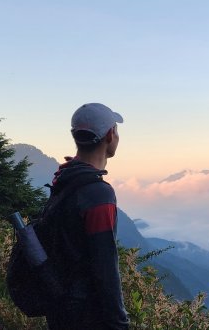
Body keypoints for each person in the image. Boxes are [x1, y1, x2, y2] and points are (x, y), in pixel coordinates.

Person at [45, 103, 129, 329]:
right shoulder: (99, 195)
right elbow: (105, 268)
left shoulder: (64, 176)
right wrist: (119, 322)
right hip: (87, 314)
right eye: (116, 130)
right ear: (110, 135)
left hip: (59, 304)